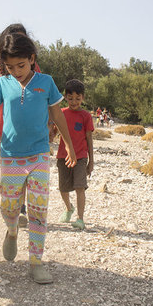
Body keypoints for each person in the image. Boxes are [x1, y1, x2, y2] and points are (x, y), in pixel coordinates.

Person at [0, 33, 76, 284]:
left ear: (32, 59)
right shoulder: (2, 83)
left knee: (38, 209)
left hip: (39, 156)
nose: (16, 71)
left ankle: (36, 262)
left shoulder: (46, 83)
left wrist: (69, 145)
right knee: (9, 207)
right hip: (11, 157)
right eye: (10, 67)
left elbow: (58, 116)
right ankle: (12, 231)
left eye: (21, 65)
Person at [0, 23, 41, 228]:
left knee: (24, 169)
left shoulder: (32, 67)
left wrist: (48, 125)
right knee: (10, 168)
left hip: (25, 127)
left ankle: (19, 207)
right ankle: (16, 207)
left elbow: (40, 96)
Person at [53, 79, 94, 230]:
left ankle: (80, 219)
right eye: (70, 98)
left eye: (78, 98)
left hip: (81, 157)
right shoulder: (61, 113)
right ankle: (69, 208)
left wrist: (91, 161)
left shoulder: (86, 116)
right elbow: (53, 133)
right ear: (65, 97)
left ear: (83, 97)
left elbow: (89, 139)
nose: (74, 102)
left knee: (80, 187)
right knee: (63, 188)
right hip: (63, 156)